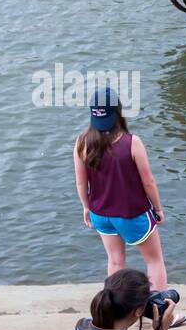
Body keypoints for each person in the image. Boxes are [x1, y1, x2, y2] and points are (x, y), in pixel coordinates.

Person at [74, 88, 176, 300]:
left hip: (100, 214)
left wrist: (86, 207)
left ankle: (115, 311)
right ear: (118, 112)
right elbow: (148, 182)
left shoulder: (81, 143)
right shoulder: (132, 142)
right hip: (132, 214)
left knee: (115, 261)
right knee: (154, 260)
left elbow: (81, 182)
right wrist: (157, 208)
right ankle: (161, 311)